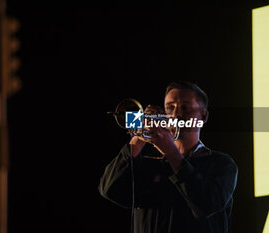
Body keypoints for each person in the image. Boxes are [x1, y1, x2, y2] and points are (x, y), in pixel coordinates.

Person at [99, 80, 238, 233]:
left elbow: (206, 205)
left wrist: (171, 151)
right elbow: (109, 189)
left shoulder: (221, 164)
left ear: (203, 116)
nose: (176, 114)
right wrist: (138, 137)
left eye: (185, 107)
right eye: (169, 107)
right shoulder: (151, 166)